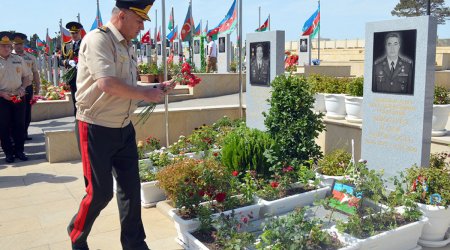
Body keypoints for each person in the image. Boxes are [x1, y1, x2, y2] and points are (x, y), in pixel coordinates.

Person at [67, 1, 175, 250]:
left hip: (124, 127)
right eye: (139, 21)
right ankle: (76, 233)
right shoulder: (98, 40)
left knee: (130, 190)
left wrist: (155, 88)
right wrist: (145, 95)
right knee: (100, 193)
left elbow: (128, 88)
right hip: (95, 127)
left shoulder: (126, 45)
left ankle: (135, 244)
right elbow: (107, 83)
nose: (141, 27)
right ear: (122, 16)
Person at [0, 31, 31, 163]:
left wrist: (23, 88)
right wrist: (1, 93)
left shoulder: (18, 59)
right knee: (4, 126)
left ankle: (19, 151)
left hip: (18, 96)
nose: (6, 48)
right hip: (2, 98)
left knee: (19, 125)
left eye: (8, 46)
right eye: (3, 46)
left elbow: (27, 76)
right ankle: (8, 153)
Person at [12, 32, 41, 140]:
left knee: (27, 112)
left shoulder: (30, 57)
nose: (18, 46)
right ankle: (14, 134)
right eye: (16, 44)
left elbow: (35, 73)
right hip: (14, 88)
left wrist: (37, 88)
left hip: (28, 87)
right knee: (14, 112)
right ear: (12, 45)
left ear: (23, 44)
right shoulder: (9, 57)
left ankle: (24, 132)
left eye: (20, 44)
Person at [60, 21, 84, 116]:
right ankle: (77, 119)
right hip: (73, 77)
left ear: (80, 32)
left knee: (84, 99)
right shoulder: (66, 45)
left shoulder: (85, 43)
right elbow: (61, 60)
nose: (74, 35)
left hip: (84, 75)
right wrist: (68, 62)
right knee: (75, 100)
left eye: (76, 32)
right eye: (72, 33)